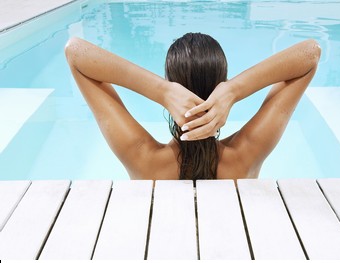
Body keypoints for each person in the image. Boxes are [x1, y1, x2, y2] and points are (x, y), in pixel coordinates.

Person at [65, 33, 321, 180]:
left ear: (169, 81)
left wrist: (160, 91)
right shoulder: (247, 155)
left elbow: (75, 53)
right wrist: (234, 90)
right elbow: (311, 53)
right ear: (221, 83)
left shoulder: (143, 158)